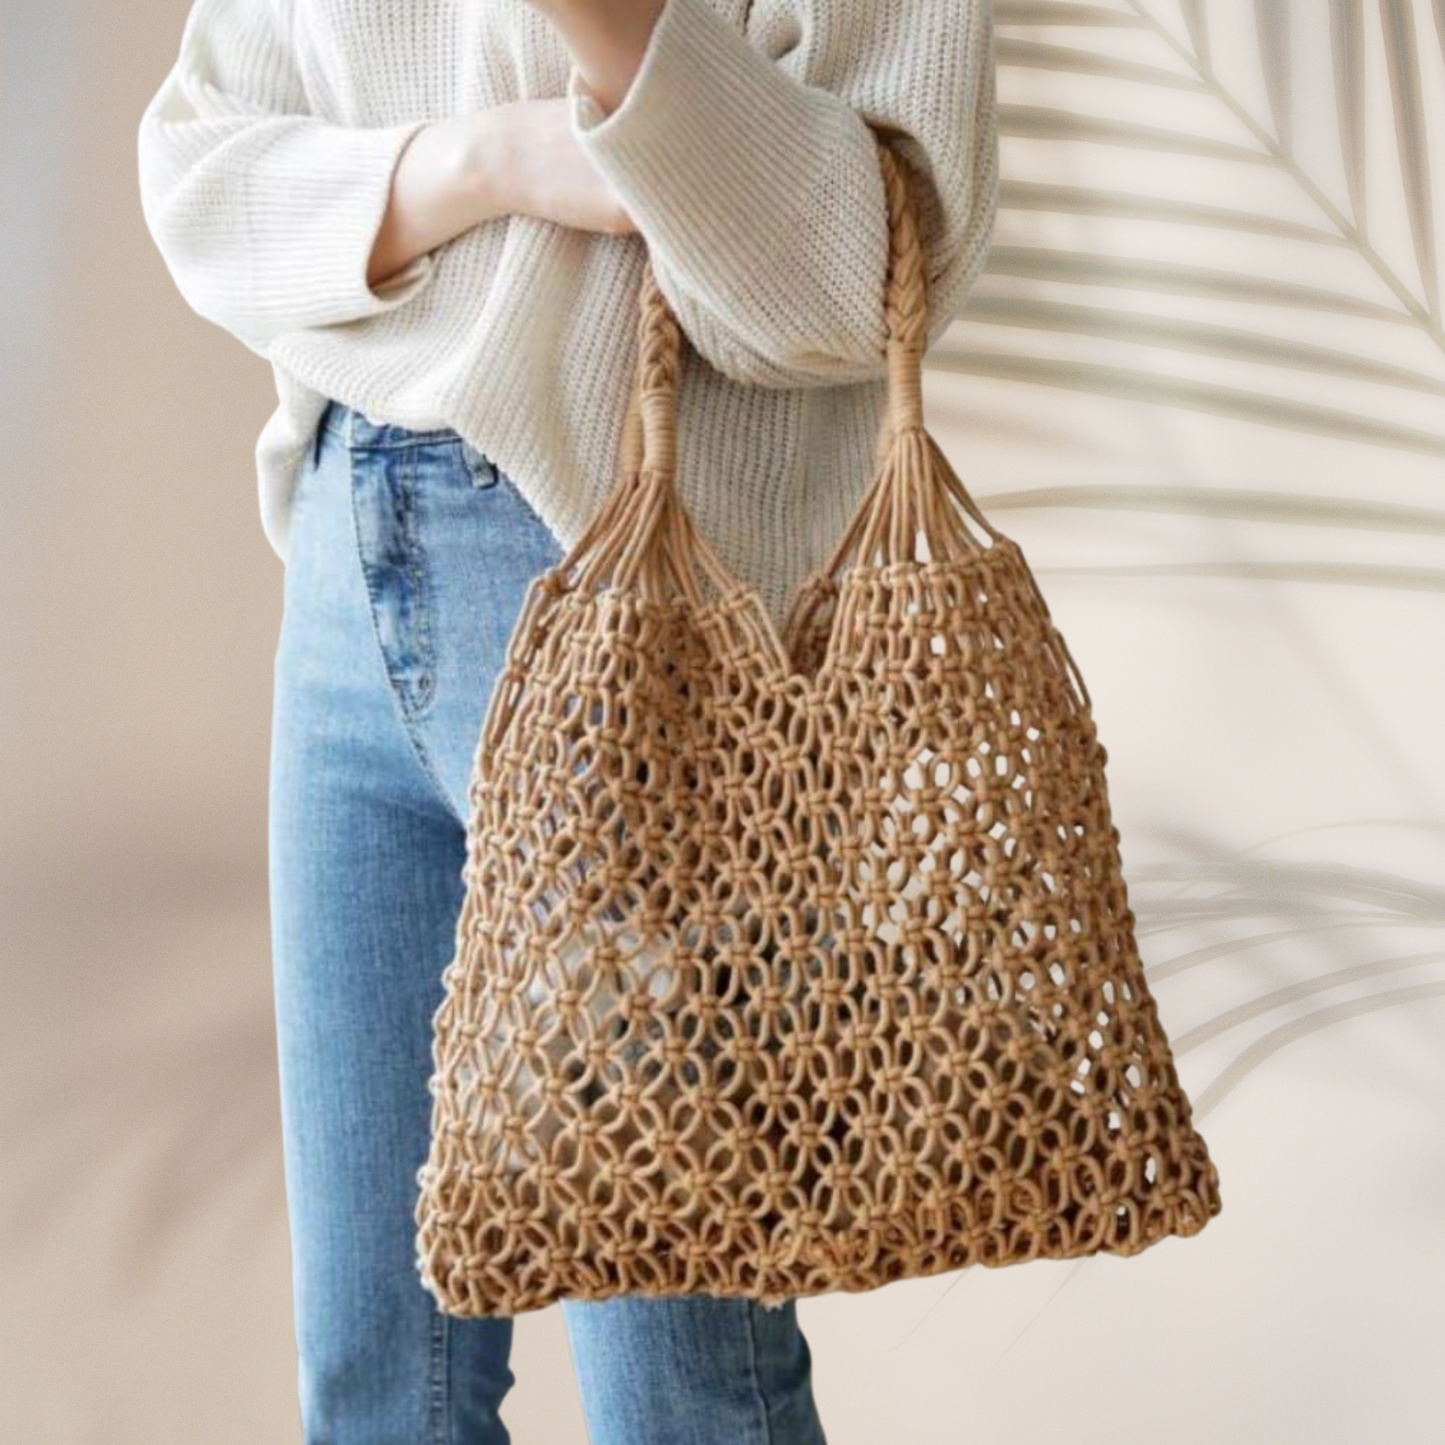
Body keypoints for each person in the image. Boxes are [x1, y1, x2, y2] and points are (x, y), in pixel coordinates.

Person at [136, 0, 998, 1440]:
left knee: (681, 1374)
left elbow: (855, 287)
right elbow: (200, 183)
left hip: (637, 580)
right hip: (351, 556)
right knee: (373, 1376)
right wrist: (492, 161)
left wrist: (616, 37)